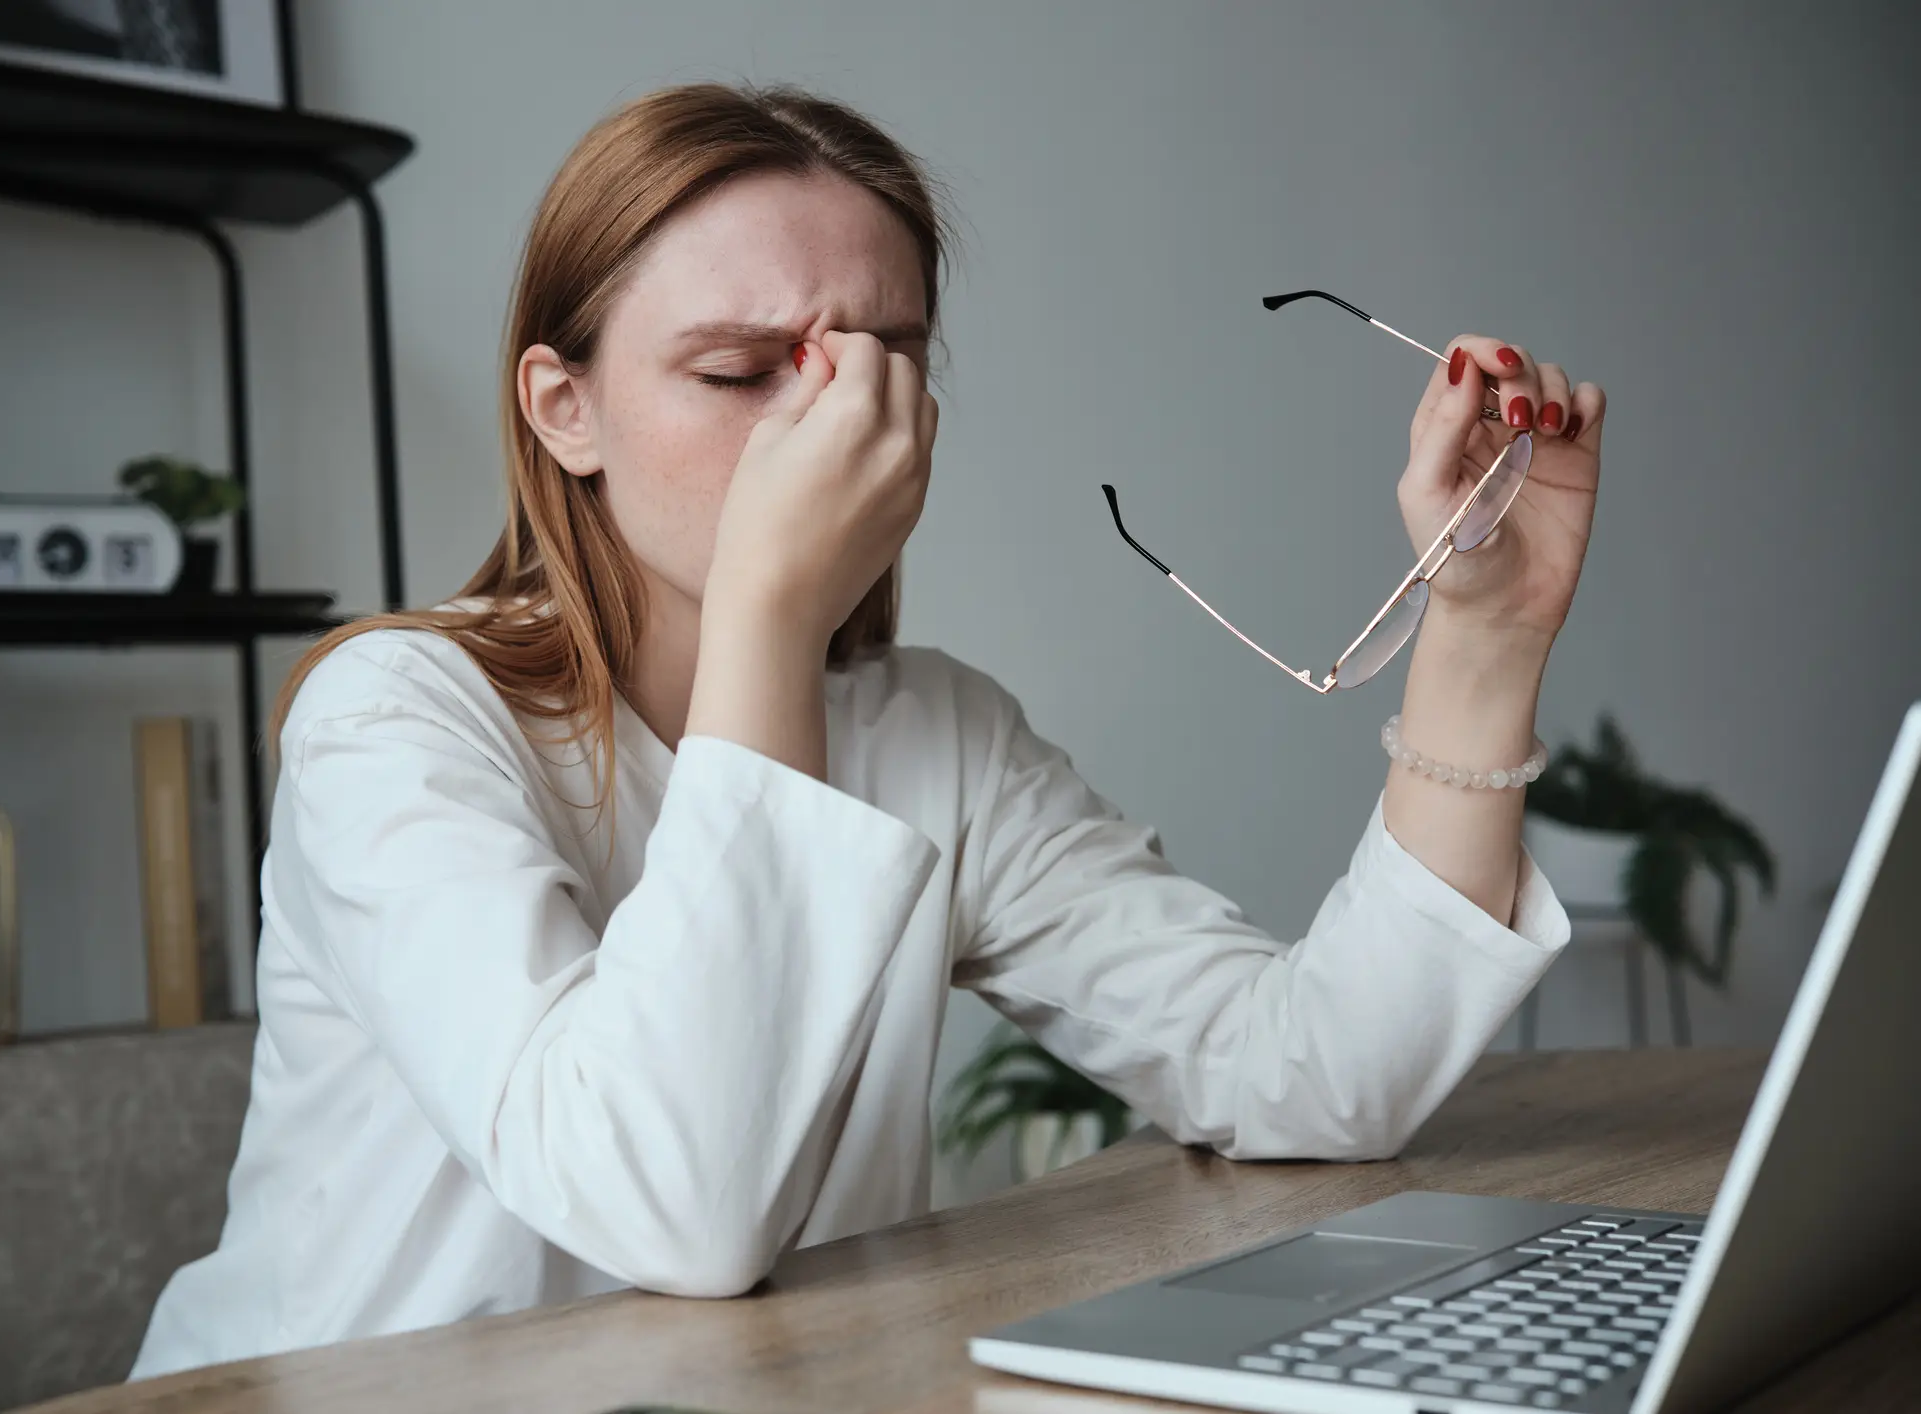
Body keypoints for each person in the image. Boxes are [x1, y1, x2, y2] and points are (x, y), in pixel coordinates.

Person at [131, 80, 1603, 1378]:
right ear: (563, 409)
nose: (819, 421)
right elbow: (674, 1208)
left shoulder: (929, 736)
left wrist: (1484, 630)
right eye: (737, 369)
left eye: (881, 359)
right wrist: (772, 605)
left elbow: (1316, 1074)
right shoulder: (394, 719)